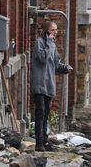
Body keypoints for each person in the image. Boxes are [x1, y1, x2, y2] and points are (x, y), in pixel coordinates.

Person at [31, 21, 73, 152]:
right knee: (40, 113)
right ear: (46, 31)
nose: (56, 32)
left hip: (49, 85)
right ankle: (39, 143)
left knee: (46, 115)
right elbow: (42, 58)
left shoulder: (52, 45)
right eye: (53, 29)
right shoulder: (39, 43)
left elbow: (56, 65)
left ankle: (45, 140)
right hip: (39, 85)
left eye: (56, 29)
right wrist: (49, 43)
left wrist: (65, 68)